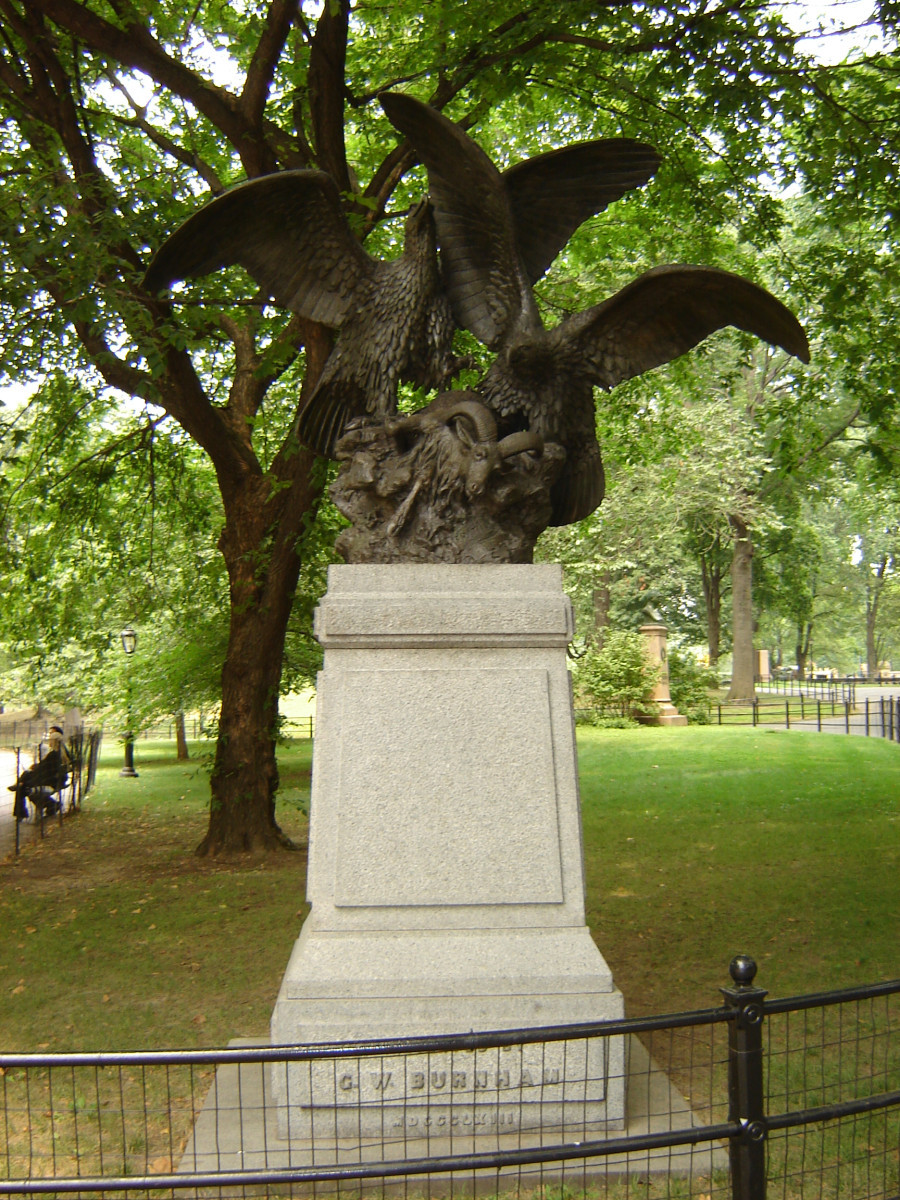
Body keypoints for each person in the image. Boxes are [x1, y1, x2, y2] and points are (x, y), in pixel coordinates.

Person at [7, 725, 70, 821]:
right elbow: (45, 767)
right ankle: (51, 805)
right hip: (48, 778)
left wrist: (36, 768)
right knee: (25, 780)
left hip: (48, 780)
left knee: (23, 787)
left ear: (54, 741)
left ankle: (21, 812)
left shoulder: (55, 755)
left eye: (50, 738)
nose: (49, 741)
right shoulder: (59, 753)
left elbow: (46, 769)